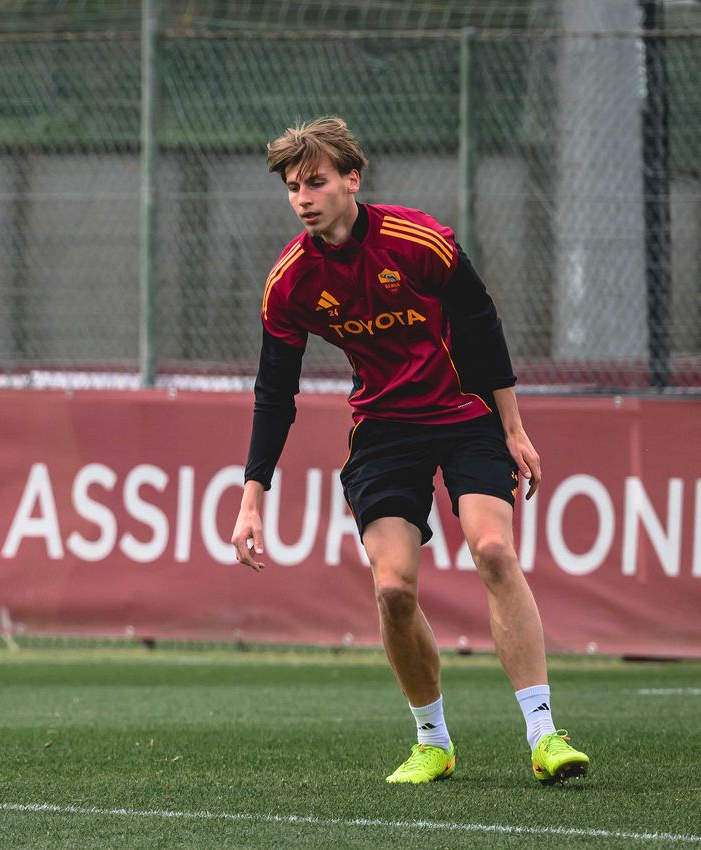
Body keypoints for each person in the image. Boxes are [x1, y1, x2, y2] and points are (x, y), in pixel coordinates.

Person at [231, 117, 590, 785]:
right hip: (385, 428)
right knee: (393, 587)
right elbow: (275, 390)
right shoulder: (290, 282)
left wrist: (512, 428)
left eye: (315, 182)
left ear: (351, 181)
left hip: (465, 413)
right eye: (292, 187)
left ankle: (544, 734)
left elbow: (481, 323)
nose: (303, 197)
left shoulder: (416, 239)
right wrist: (253, 494)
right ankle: (433, 741)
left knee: (492, 549)